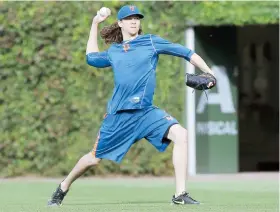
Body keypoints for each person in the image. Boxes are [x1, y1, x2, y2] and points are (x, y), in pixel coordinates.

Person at [47, 5, 215, 206]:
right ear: (120, 23)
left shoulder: (151, 42)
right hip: (119, 116)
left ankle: (180, 195)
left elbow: (187, 52)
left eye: (137, 18)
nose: (134, 21)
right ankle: (63, 186)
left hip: (146, 113)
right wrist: (94, 23)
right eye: (129, 18)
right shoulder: (114, 51)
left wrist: (209, 72)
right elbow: (91, 57)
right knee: (93, 158)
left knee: (181, 135)